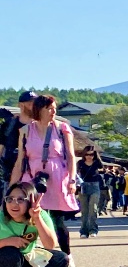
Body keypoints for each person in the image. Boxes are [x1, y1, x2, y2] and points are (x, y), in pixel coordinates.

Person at [9, 95, 79, 257]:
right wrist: (13, 185)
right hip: (32, 177)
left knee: (56, 219)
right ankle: (29, 252)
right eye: (49, 108)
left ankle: (66, 255)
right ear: (39, 109)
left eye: (54, 108)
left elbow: (70, 156)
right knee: (29, 216)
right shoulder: (26, 131)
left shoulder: (62, 128)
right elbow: (20, 160)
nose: (53, 111)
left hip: (56, 177)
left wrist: (72, 179)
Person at [0, 183, 71, 267]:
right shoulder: (1, 217)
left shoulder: (39, 215)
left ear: (30, 201)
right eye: (10, 199)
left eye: (20, 200)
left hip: (23, 260)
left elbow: (50, 245)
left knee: (61, 259)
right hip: (6, 259)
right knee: (11, 253)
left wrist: (37, 219)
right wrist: (6, 242)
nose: (14, 204)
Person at [0, 92, 34, 185]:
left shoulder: (39, 127)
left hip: (33, 176)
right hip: (10, 175)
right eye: (30, 104)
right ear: (21, 105)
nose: (34, 107)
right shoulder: (9, 125)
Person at [76, 146, 105, 238]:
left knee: (93, 209)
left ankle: (93, 229)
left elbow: (102, 167)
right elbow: (75, 174)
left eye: (91, 154)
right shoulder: (80, 163)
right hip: (83, 186)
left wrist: (97, 156)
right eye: (87, 154)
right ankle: (83, 231)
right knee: (84, 211)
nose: (89, 156)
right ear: (84, 155)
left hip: (95, 186)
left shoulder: (97, 163)